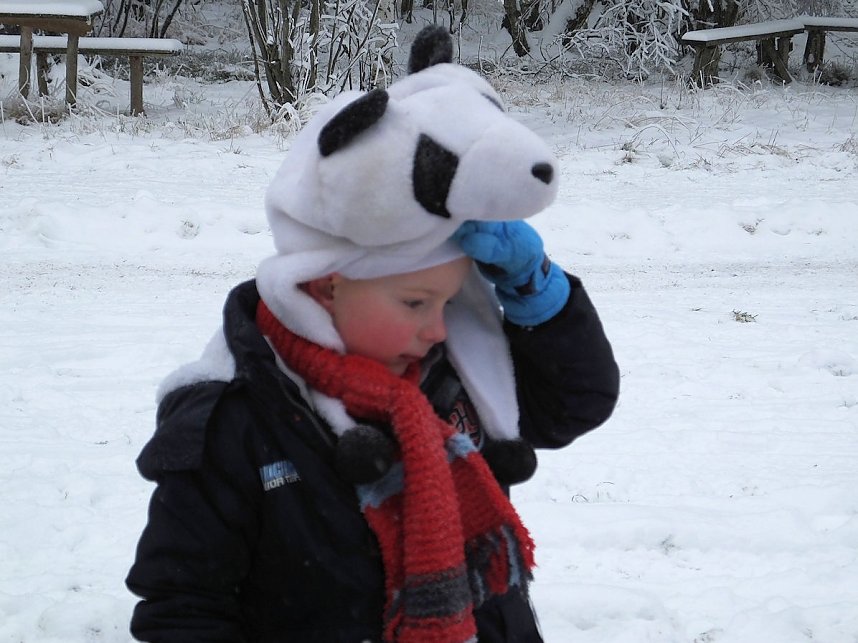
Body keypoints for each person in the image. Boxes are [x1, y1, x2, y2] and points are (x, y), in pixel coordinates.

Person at [126, 25, 619, 643]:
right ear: (328, 283)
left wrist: (535, 290)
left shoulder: (460, 373)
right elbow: (183, 605)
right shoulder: (239, 421)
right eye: (416, 301)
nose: (438, 326)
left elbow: (577, 402)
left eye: (451, 300)